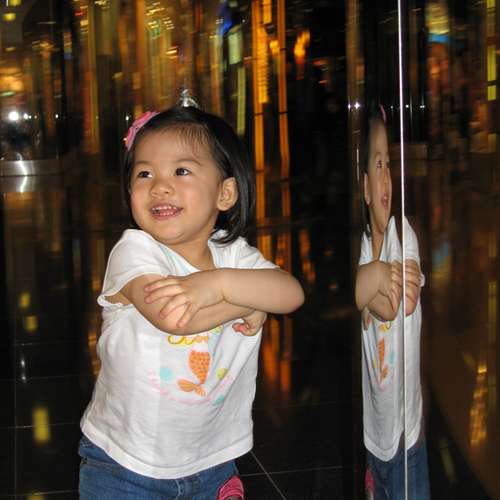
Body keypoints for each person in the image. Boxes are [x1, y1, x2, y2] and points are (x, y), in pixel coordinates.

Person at [79, 98, 305, 499]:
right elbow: (175, 317)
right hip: (126, 465)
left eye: (181, 170)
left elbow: (291, 294)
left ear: (225, 193)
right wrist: (248, 300)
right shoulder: (134, 252)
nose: (159, 186)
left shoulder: (232, 256)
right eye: (144, 173)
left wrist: (218, 284)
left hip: (213, 459)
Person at [355, 107, 429, 499]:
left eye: (391, 165)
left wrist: (374, 289)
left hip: (406, 432)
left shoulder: (405, 235)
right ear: (366, 188)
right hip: (375, 428)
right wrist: (375, 281)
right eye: (379, 164)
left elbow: (402, 301)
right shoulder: (364, 246)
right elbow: (361, 298)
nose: (387, 177)